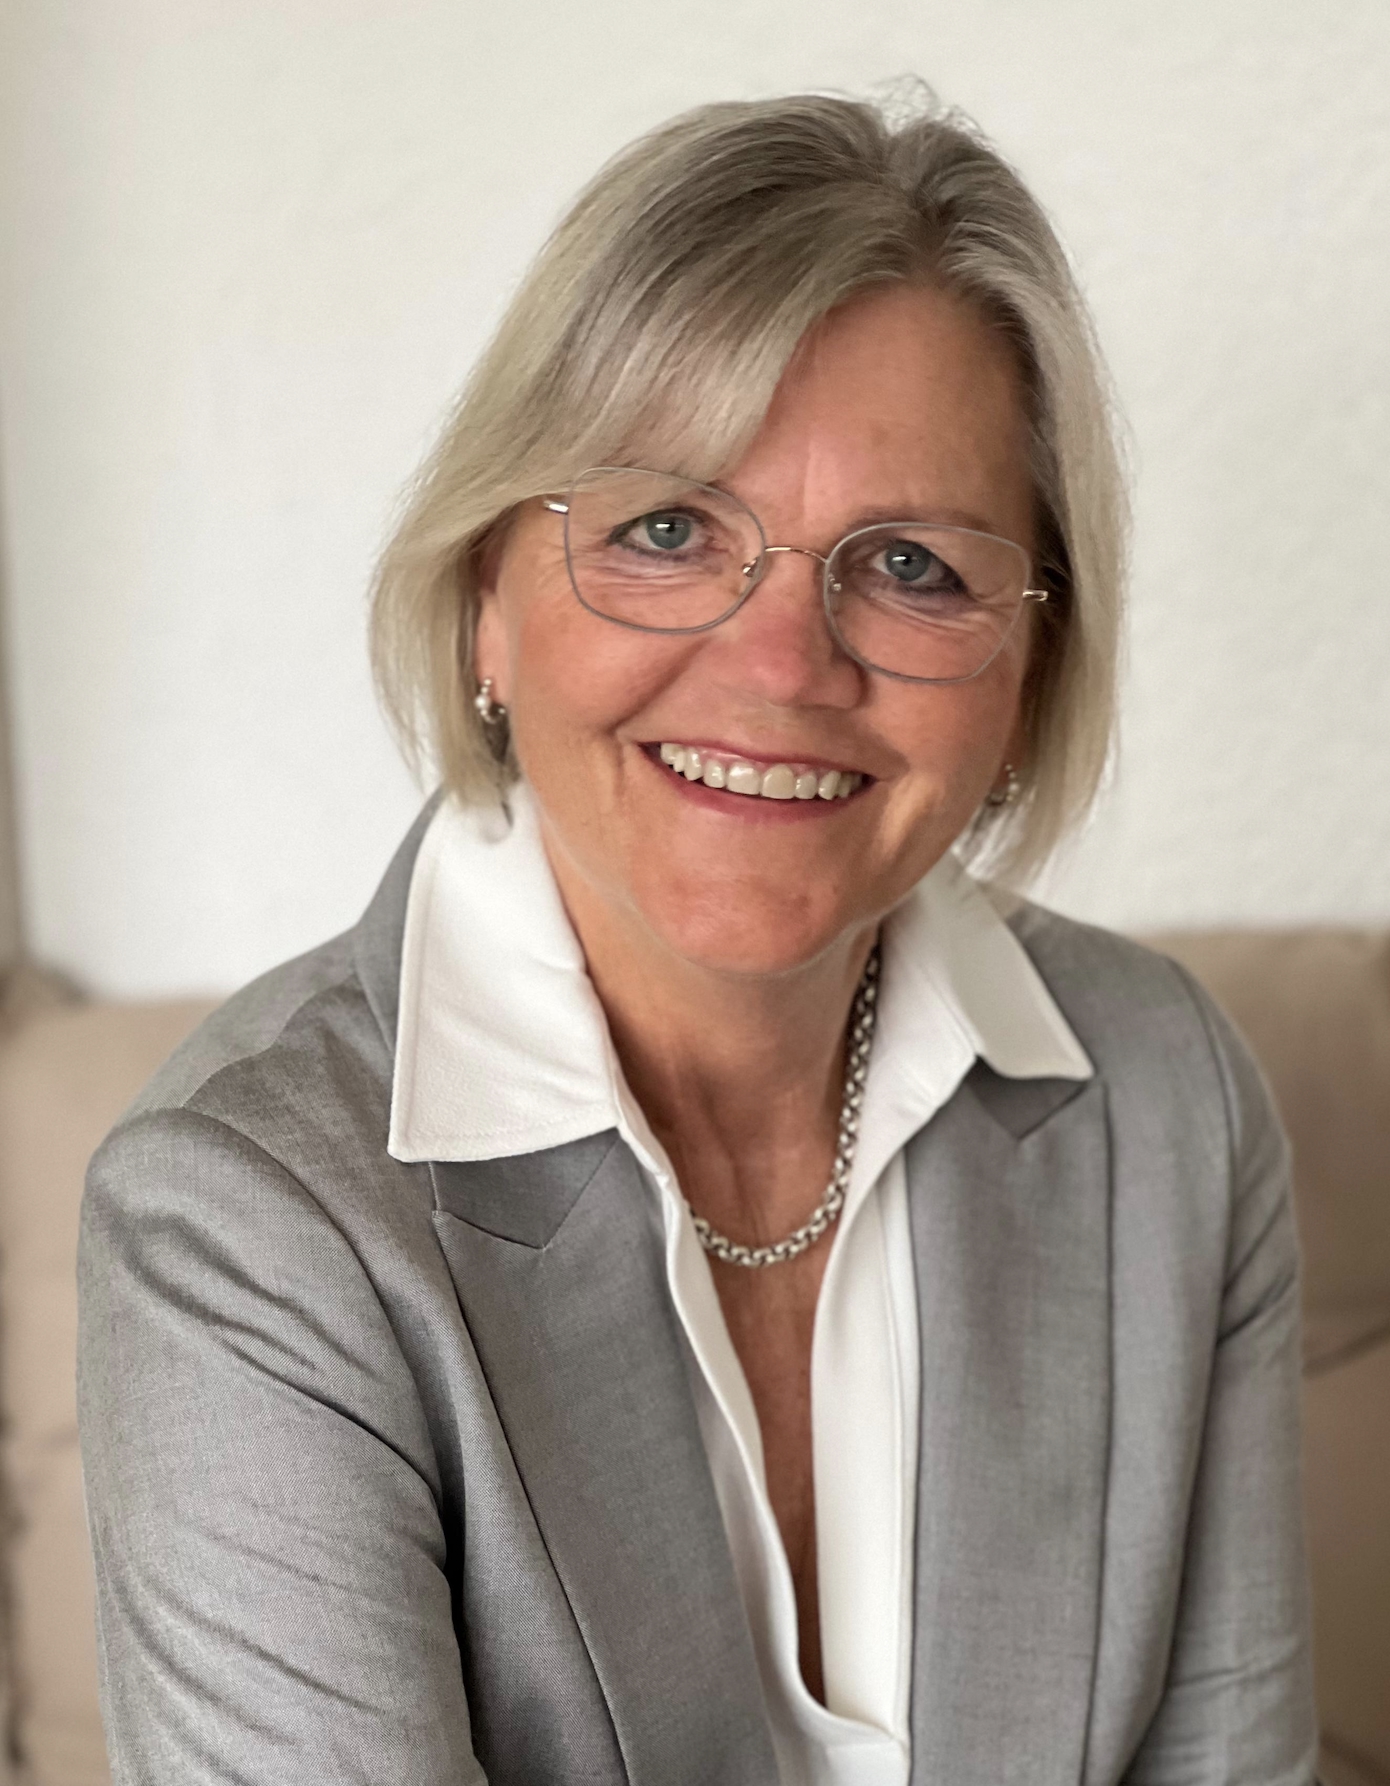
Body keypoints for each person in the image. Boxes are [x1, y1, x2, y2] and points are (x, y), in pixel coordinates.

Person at [76, 91, 1316, 1785]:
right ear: (486, 601)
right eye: (666, 529)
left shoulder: (1164, 1099)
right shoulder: (246, 1218)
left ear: (1030, 679)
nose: (783, 666)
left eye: (910, 564)